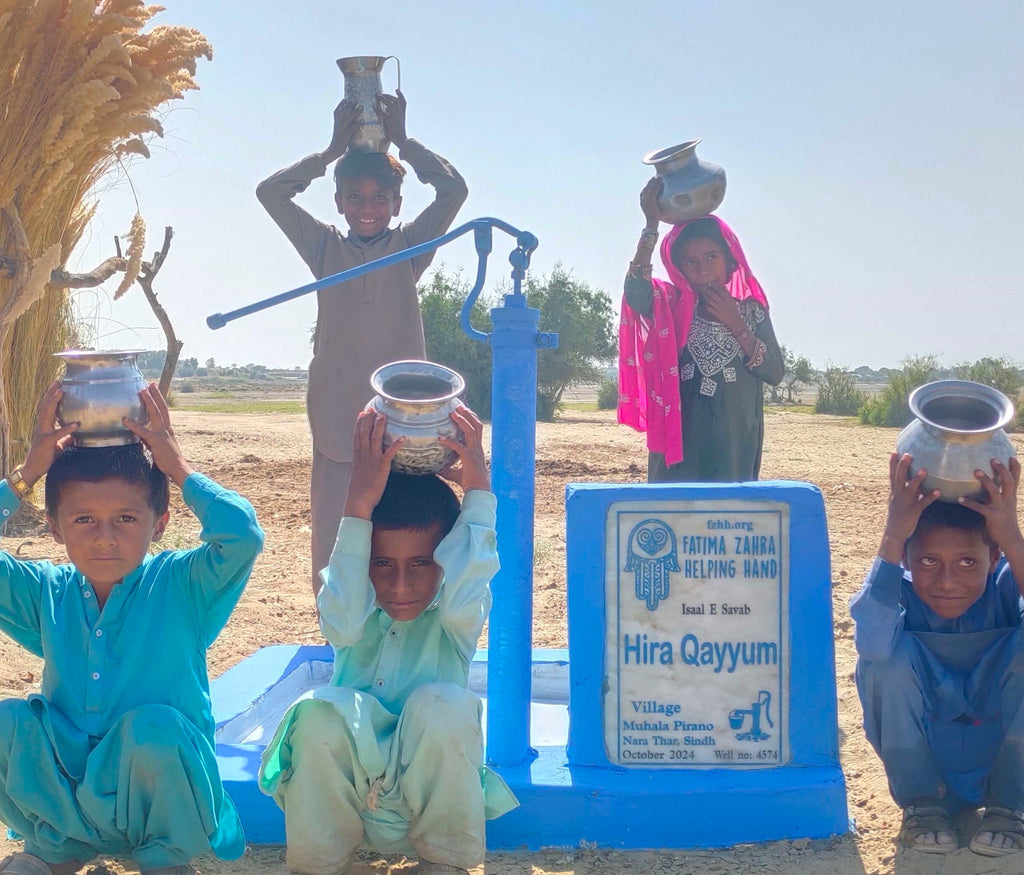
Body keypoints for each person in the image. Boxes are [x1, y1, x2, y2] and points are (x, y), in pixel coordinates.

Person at [0, 382, 264, 875]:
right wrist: (26, 476)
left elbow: (243, 535)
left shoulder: (183, 584)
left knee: (153, 728)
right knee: (8, 721)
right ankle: (60, 849)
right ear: (55, 528)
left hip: (158, 805)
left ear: (159, 523)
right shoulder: (45, 592)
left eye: (125, 517)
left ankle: (162, 859)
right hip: (71, 802)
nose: (106, 538)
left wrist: (177, 467)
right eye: (83, 519)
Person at [258, 406, 517, 875]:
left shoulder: (456, 616)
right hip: (351, 802)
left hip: (426, 805)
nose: (400, 586)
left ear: (445, 560)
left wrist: (478, 491)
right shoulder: (352, 610)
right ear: (363, 563)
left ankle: (445, 864)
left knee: (446, 704)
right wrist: (357, 504)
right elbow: (339, 623)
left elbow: (473, 571)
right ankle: (320, 867)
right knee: (316, 710)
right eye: (381, 564)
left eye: (421, 564)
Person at [256, 88, 468, 594]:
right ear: (338, 202)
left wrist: (405, 142)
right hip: (339, 422)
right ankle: (343, 641)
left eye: (380, 198)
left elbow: (453, 192)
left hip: (406, 424)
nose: (367, 208)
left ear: (397, 204)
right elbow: (271, 194)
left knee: (405, 536)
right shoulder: (324, 246)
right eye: (355, 197)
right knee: (337, 541)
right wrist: (329, 152)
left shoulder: (411, 247)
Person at [851, 452, 1024, 857]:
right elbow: (872, 643)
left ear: (994, 558)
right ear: (908, 560)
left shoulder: (1006, 580)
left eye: (968, 562)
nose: (948, 582)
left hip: (1002, 759)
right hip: (930, 765)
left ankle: (1010, 807)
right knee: (884, 659)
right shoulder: (897, 588)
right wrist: (894, 534)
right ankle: (922, 806)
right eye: (928, 561)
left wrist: (1011, 535)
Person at [618, 178, 784, 482]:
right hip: (678, 458)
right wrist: (651, 224)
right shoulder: (670, 307)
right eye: (690, 262)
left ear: (729, 261)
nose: (703, 269)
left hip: (734, 452)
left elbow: (774, 372)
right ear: (679, 268)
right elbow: (636, 292)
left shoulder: (751, 311)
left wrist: (736, 323)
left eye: (711, 257)